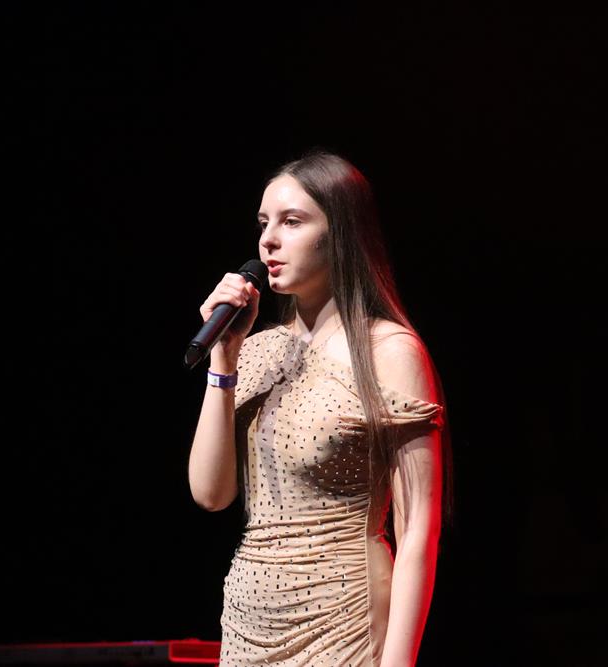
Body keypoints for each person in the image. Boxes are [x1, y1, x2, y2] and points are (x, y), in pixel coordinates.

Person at [188, 149, 453, 667]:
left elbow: (418, 528)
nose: (268, 240)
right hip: (249, 620)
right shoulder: (255, 350)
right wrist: (224, 359)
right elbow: (210, 493)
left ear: (341, 234)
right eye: (264, 223)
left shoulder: (390, 351)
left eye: (291, 221)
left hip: (344, 618)